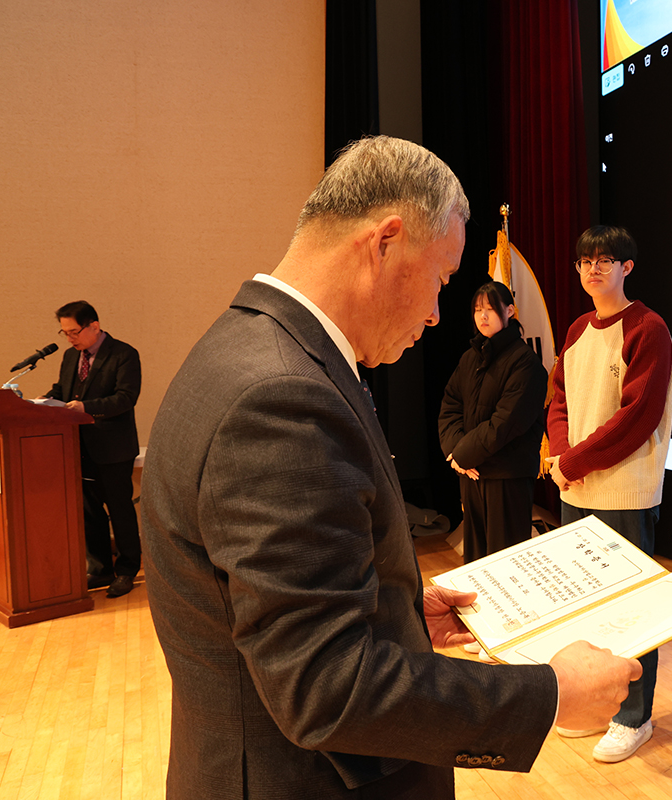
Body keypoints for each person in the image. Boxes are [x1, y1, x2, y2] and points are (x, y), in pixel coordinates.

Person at [140, 136, 641, 800]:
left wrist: (394, 608)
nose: (435, 314)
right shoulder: (281, 397)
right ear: (386, 242)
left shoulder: (244, 345)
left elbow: (271, 603)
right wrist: (548, 695)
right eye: (440, 279)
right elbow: (328, 688)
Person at [547, 225, 672, 763]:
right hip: (574, 488)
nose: (593, 268)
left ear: (627, 267)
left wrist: (572, 462)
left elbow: (637, 416)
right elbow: (558, 398)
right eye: (585, 261)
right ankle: (595, 704)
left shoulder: (648, 328)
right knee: (583, 604)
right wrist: (561, 457)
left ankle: (633, 717)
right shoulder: (578, 329)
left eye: (606, 260)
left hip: (624, 492)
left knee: (631, 611)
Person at [438, 280, 547, 565]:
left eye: (490, 308)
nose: (482, 316)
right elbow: (450, 406)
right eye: (477, 310)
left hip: (507, 476)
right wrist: (455, 453)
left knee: (506, 563)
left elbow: (505, 422)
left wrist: (463, 454)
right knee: (475, 562)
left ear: (509, 311)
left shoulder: (525, 362)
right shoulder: (469, 359)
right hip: (472, 473)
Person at [44, 301, 142, 598]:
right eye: (64, 333)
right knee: (89, 512)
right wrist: (42, 402)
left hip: (113, 448)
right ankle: (100, 569)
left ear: (94, 326)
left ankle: (127, 571)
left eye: (73, 332)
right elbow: (62, 391)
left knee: (120, 511)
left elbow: (126, 398)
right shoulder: (70, 357)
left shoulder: (123, 354)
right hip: (78, 447)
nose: (69, 339)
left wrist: (86, 407)